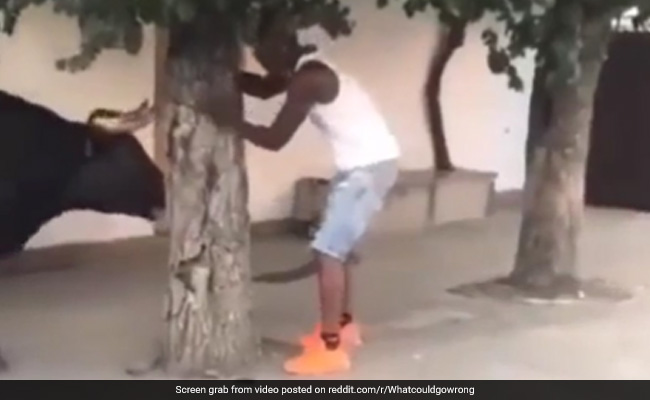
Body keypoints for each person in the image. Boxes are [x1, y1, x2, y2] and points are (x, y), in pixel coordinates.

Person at [238, 15, 400, 376]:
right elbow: (263, 88)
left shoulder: (309, 79)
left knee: (329, 252)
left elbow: (274, 139)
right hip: (365, 165)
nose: (260, 61)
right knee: (338, 251)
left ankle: (330, 349)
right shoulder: (305, 67)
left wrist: (229, 120)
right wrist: (223, 79)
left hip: (367, 170)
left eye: (262, 53)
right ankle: (344, 326)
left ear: (281, 47)